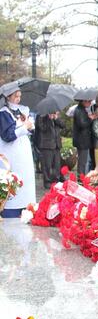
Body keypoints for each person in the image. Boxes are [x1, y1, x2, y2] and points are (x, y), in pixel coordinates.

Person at [0, 82, 36, 218]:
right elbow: (7, 136)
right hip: (11, 155)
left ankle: (26, 207)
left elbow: (28, 131)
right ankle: (10, 209)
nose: (18, 99)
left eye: (20, 96)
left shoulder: (22, 110)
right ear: (8, 97)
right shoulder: (3, 113)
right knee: (14, 181)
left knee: (26, 180)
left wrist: (31, 127)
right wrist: (23, 128)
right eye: (15, 96)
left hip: (24, 154)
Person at [35, 110, 65, 189]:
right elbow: (42, 128)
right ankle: (47, 181)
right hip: (46, 144)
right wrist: (48, 118)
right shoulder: (41, 114)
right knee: (46, 165)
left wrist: (56, 118)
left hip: (56, 144)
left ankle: (56, 180)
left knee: (57, 164)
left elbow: (62, 125)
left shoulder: (56, 114)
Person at [72, 100, 95, 175]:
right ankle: (81, 179)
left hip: (82, 140)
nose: (90, 103)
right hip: (82, 140)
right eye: (89, 101)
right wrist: (90, 119)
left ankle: (81, 178)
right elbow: (82, 124)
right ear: (84, 101)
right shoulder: (79, 110)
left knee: (83, 161)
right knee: (82, 162)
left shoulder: (81, 110)